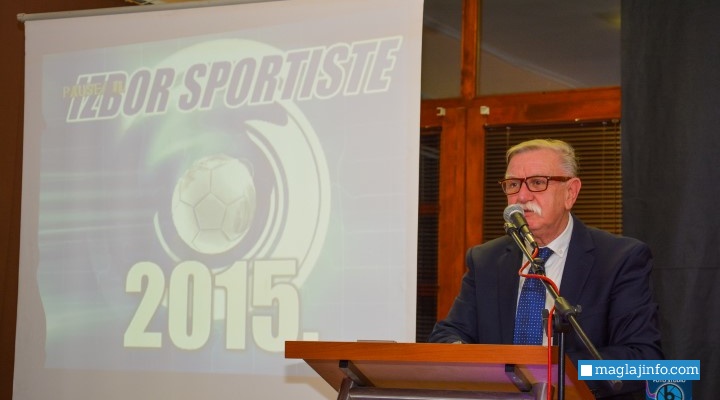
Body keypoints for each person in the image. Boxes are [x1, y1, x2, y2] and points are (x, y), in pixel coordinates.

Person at [428, 139, 663, 399]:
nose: (522, 196)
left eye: (538, 182)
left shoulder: (620, 259)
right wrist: (471, 362)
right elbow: (448, 334)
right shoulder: (485, 260)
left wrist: (551, 374)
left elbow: (642, 358)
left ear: (570, 192)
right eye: (513, 184)